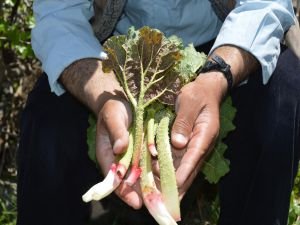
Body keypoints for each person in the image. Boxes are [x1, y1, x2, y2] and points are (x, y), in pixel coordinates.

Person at [17, 0, 300, 225]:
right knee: (47, 120)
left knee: (284, 95)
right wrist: (104, 97)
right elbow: (58, 16)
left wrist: (216, 77)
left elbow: (266, 5)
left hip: (221, 47)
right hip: (113, 52)